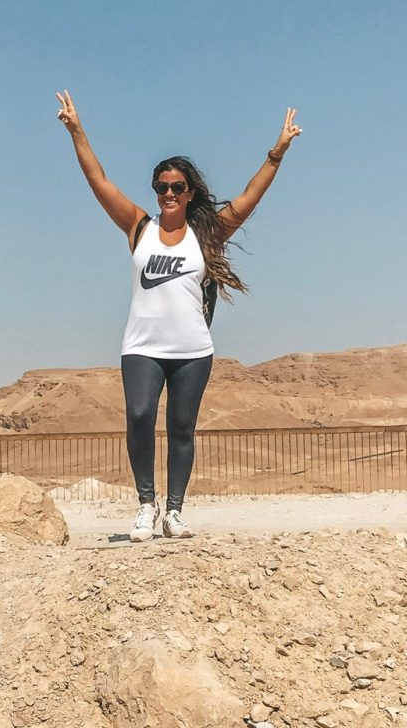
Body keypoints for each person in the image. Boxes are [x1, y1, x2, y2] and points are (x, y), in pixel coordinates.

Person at [56, 90, 301, 541]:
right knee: (139, 414)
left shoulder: (208, 234)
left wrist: (277, 152)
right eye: (161, 187)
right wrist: (77, 131)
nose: (168, 194)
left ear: (190, 193)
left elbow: (250, 197)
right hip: (142, 347)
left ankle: (175, 512)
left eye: (176, 188)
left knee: (183, 428)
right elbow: (100, 181)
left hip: (192, 349)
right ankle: (146, 506)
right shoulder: (139, 228)